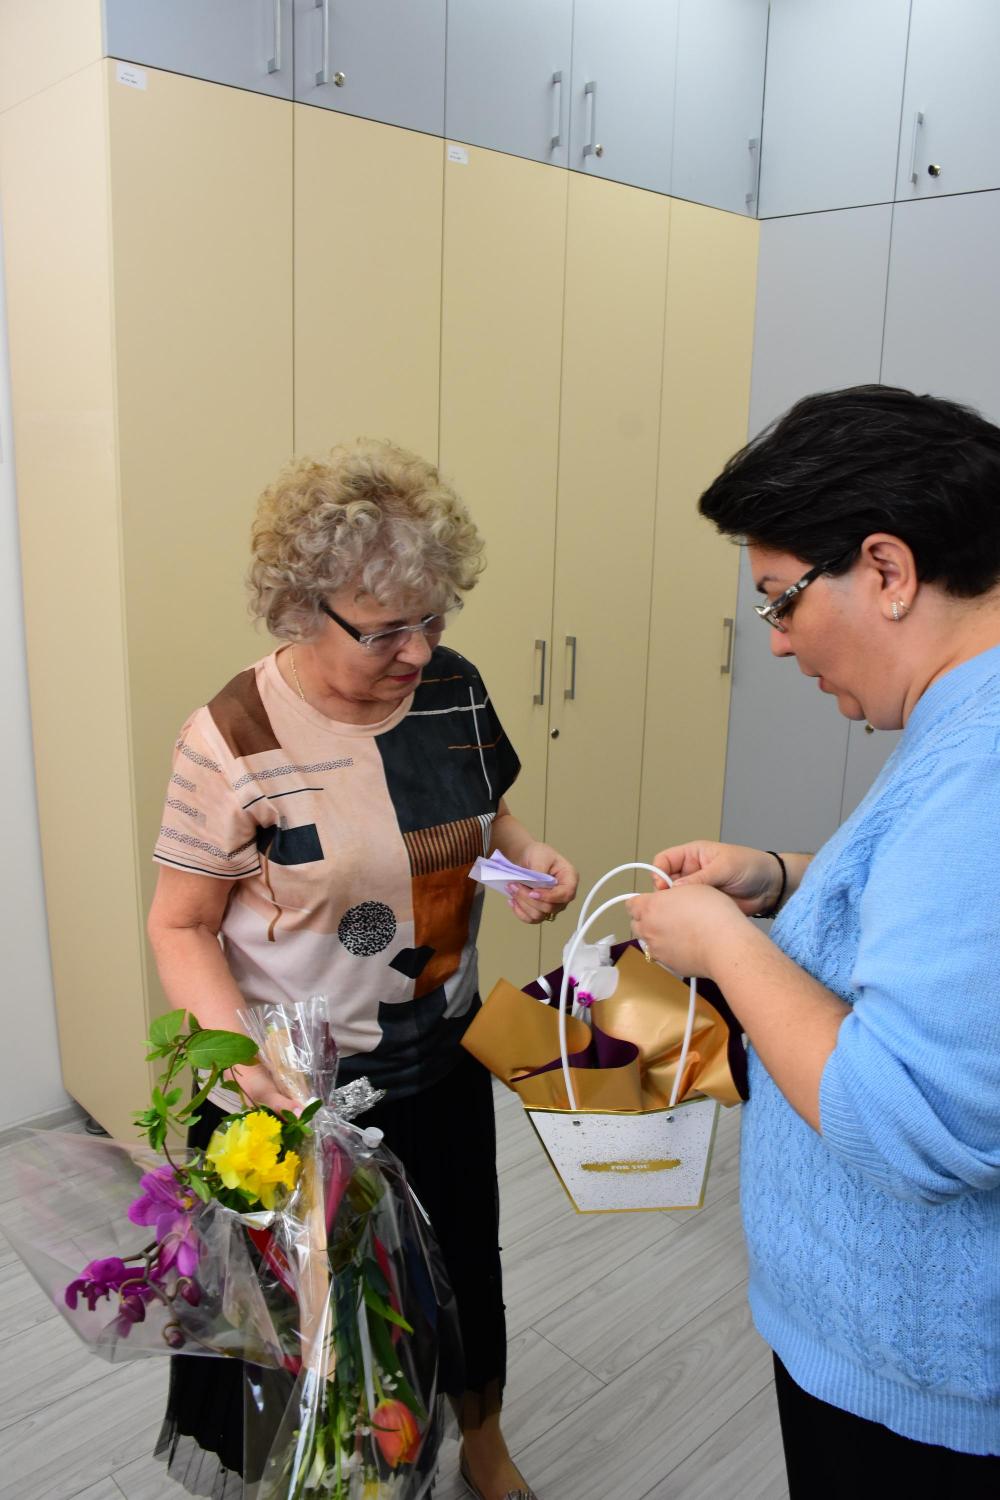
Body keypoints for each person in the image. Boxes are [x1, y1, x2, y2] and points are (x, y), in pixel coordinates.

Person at [147, 438, 578, 1500]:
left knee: (460, 1266)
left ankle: (481, 1438)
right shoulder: (232, 737)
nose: (418, 650)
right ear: (301, 609)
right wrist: (245, 1065)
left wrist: (526, 859)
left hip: (439, 1059)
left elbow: (483, 812)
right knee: (299, 1316)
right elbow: (181, 925)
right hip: (293, 1096)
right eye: (384, 630)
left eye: (434, 618)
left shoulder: (454, 689)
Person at [628, 386, 1000, 1496]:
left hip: (919, 1392)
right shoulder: (960, 722)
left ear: (886, 570)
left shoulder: (983, 763)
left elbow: (910, 1120)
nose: (780, 642)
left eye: (780, 601)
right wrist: (782, 878)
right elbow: (945, 926)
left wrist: (723, 948)